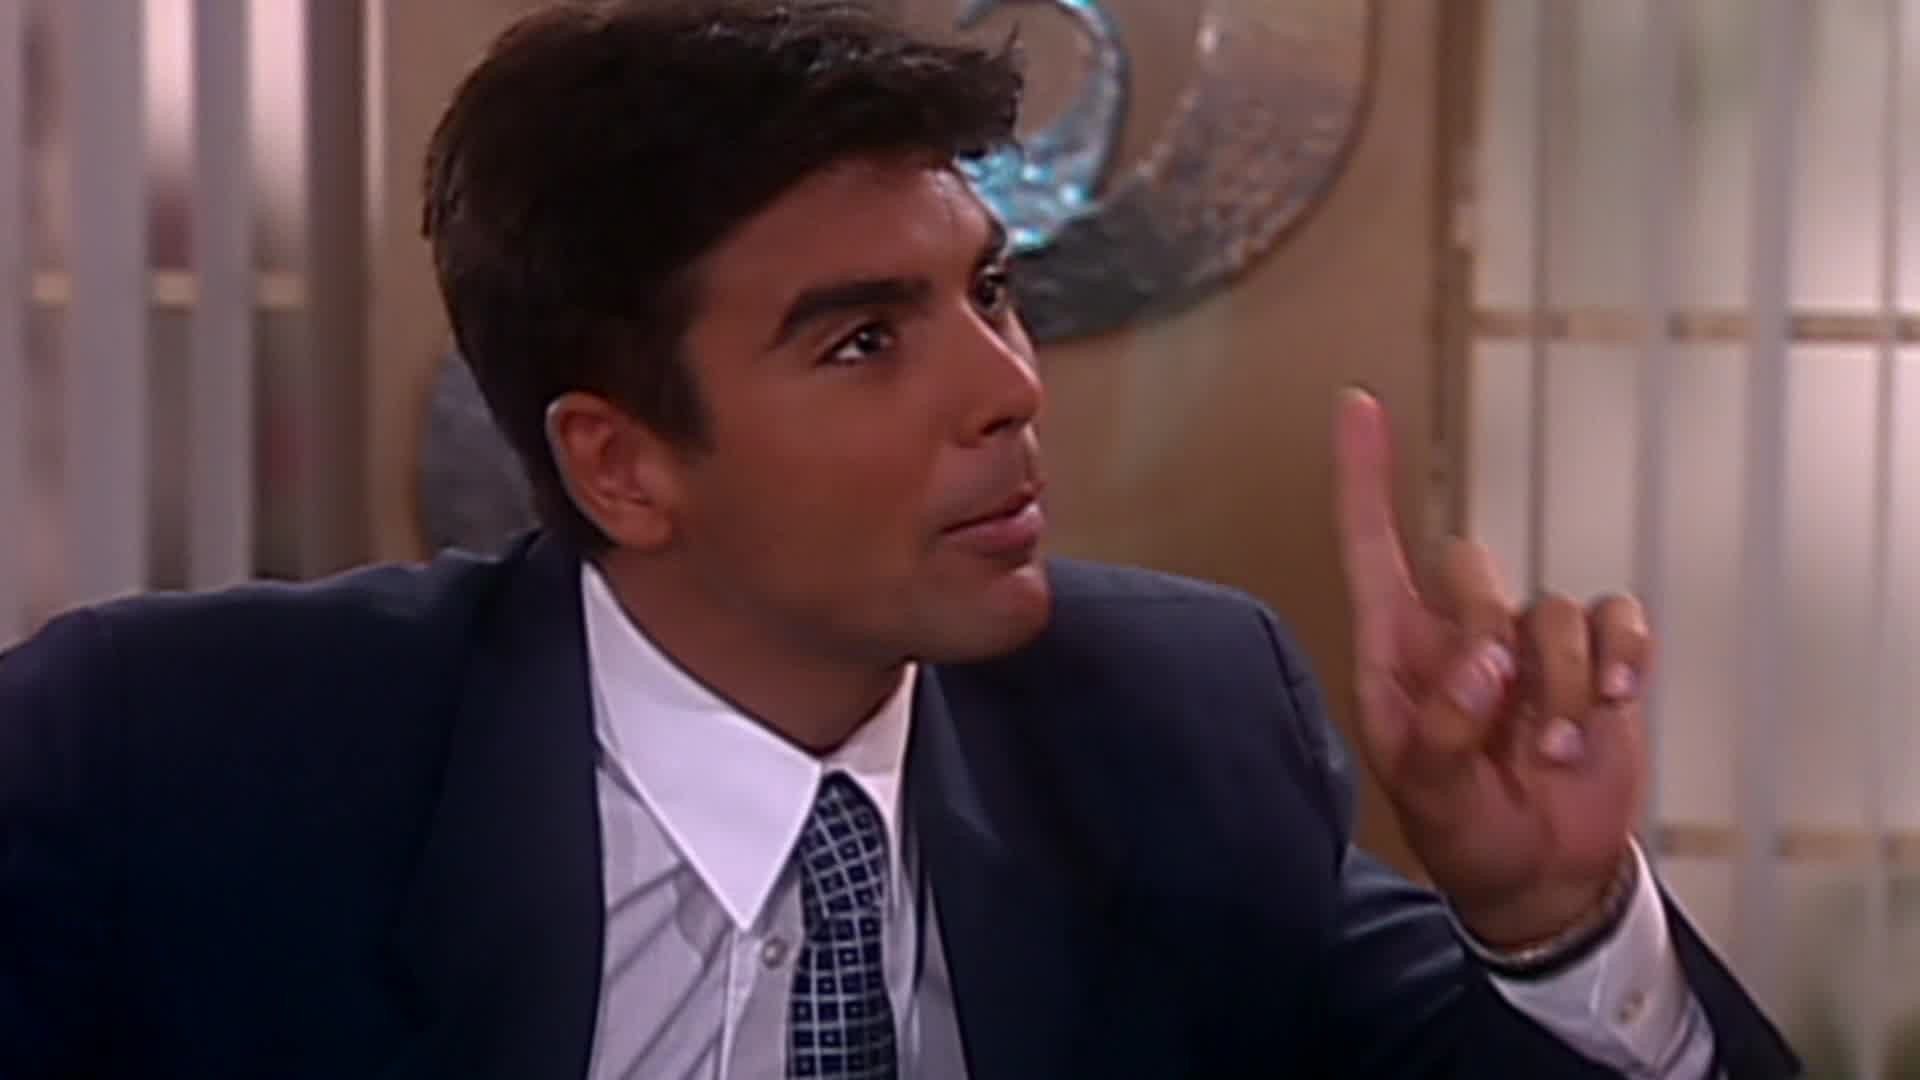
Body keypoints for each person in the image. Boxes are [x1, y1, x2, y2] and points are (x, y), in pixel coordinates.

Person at [0, 2, 1798, 1077]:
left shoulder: (1169, 728)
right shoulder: (193, 763)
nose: (1008, 388)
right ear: (621, 465)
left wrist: (1551, 918)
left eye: (989, 293)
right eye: (864, 339)